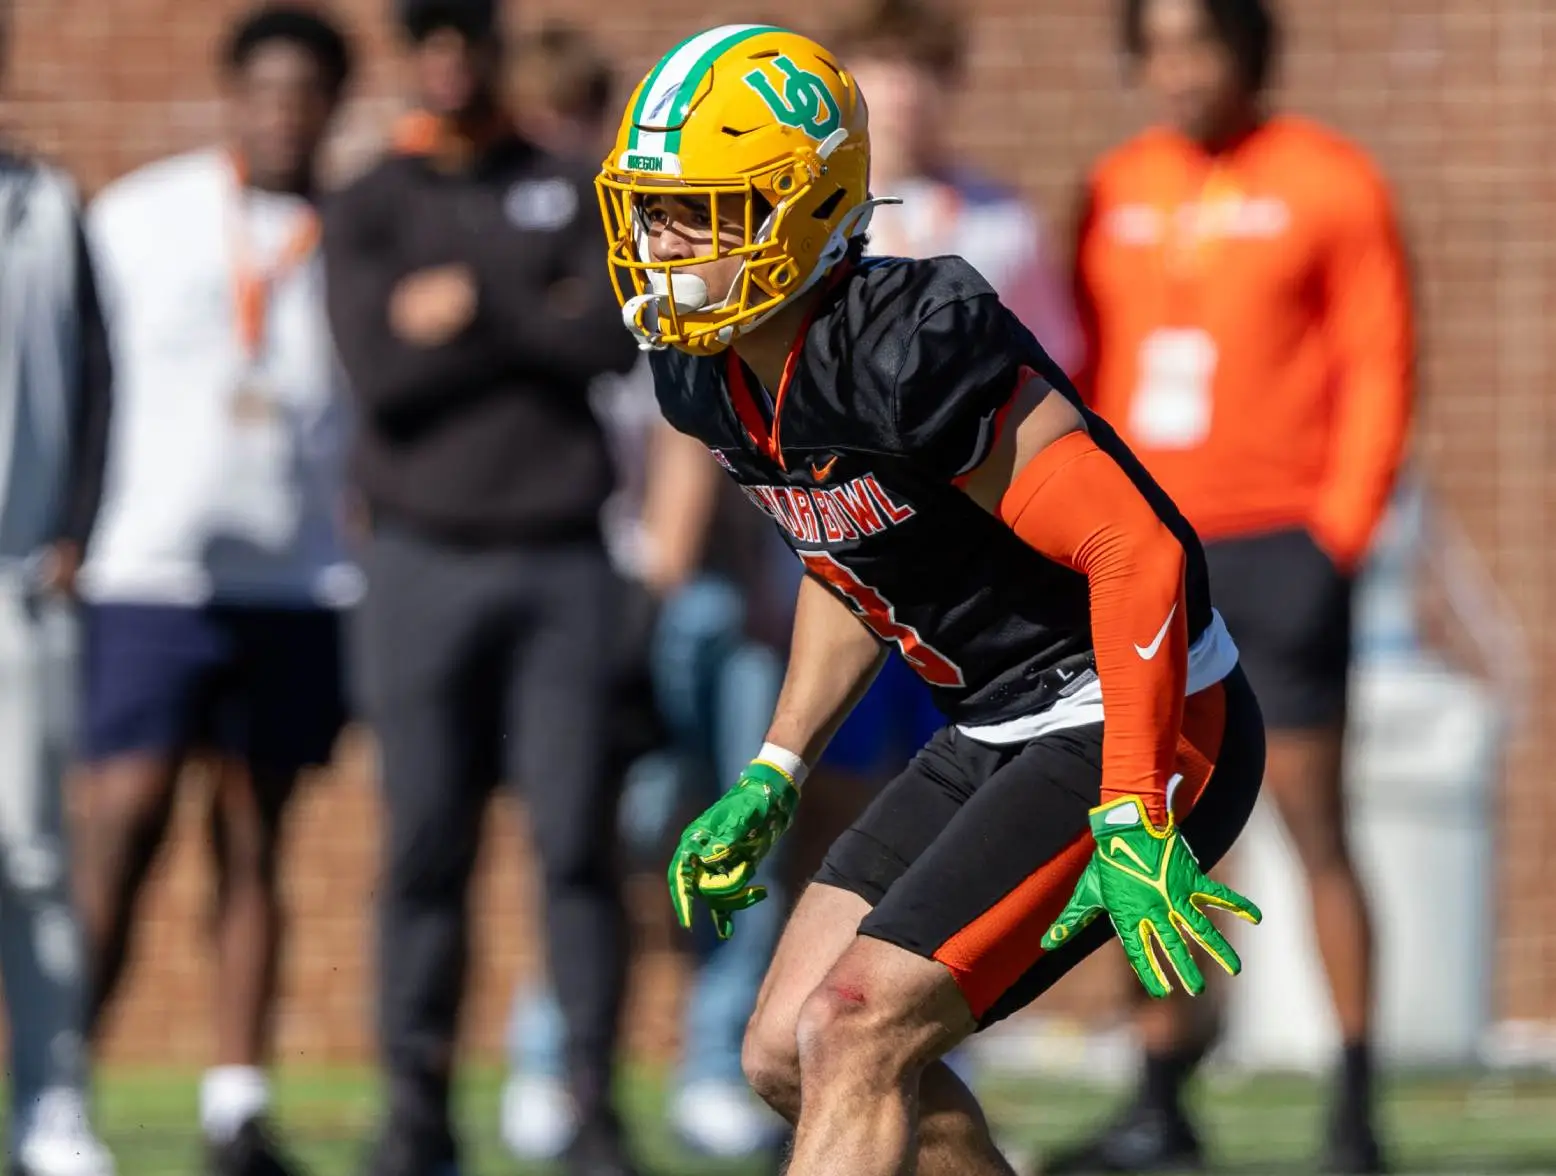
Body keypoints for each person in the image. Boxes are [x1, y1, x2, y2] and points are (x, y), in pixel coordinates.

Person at [595, 23, 1267, 1176]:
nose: (663, 245)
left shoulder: (909, 341)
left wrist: (1127, 805)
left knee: (853, 1027)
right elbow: (848, 559)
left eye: (701, 211)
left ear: (802, 210)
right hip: (997, 722)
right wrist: (776, 764)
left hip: (1137, 710)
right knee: (783, 1052)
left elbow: (1138, 552)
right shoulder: (703, 372)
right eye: (653, 212)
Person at [1051, 1, 1413, 1171]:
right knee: (1142, 818)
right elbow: (1080, 366)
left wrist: (1335, 535)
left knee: (1313, 822)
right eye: (1153, 49)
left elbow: (1377, 360)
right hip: (1150, 545)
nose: (1175, 72)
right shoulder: (1114, 185)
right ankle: (1161, 1094)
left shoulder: (1325, 179)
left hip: (1279, 544)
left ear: (1244, 51)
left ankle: (1354, 1099)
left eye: (1195, 45)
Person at [322, 1, 640, 1172]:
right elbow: (383, 374)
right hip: (418, 563)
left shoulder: (569, 184)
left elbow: (610, 340)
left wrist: (472, 306)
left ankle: (591, 1113)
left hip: (560, 560)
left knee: (570, 843)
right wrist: (529, 308)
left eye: (467, 36)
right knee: (424, 846)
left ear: (494, 50)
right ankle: (415, 1113)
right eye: (429, 40)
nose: (449, 60)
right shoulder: (370, 203)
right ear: (411, 57)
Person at [497, 23, 788, 1163]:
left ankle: (713, 1062)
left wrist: (668, 584)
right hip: (586, 588)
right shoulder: (522, 261)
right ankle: (552, 1056)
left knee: (733, 829)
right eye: (544, 120)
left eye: (580, 119)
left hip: (701, 591)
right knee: (597, 838)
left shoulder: (663, 251)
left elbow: (692, 440)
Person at [73, 7, 357, 1174]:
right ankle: (55, 1086)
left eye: (305, 96)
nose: (282, 114)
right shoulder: (140, 217)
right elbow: (78, 379)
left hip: (296, 581)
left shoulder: (359, 227)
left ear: (332, 106)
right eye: (265, 92)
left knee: (256, 838)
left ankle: (235, 1104)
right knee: (120, 824)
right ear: (233, 95)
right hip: (146, 572)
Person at [0, 13, 115, 1168]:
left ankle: (51, 1106)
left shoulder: (44, 206)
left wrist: (77, 529)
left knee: (32, 857)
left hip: (16, 584)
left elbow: (95, 378)